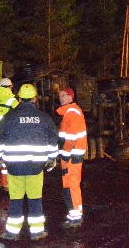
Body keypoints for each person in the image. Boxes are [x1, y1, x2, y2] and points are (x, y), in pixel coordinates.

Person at [0, 83, 58, 242]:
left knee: (16, 199)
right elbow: (53, 140)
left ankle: (11, 233)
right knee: (35, 199)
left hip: (14, 166)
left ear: (19, 98)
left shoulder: (9, 117)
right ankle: (37, 232)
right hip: (36, 166)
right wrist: (51, 158)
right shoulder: (44, 118)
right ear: (35, 98)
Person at [56, 86, 88, 228]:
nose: (61, 98)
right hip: (72, 155)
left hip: (71, 156)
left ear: (71, 97)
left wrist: (64, 154)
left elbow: (70, 138)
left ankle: (75, 217)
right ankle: (74, 214)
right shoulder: (70, 111)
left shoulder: (71, 112)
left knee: (71, 185)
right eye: (60, 95)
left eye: (64, 95)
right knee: (70, 185)